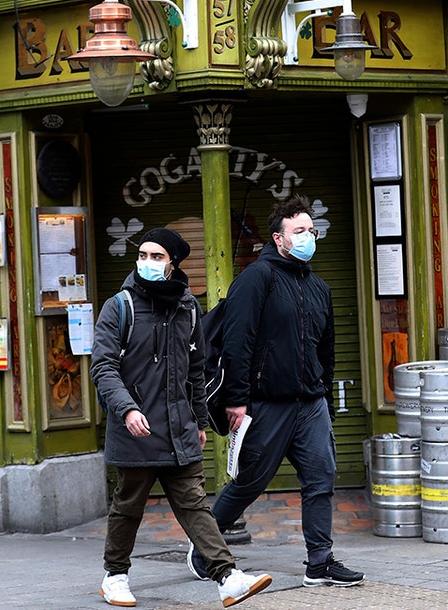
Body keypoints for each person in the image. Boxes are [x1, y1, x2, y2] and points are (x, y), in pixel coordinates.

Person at [187, 195, 365, 588]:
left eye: (312, 231)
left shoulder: (319, 287)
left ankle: (319, 563)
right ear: (278, 238)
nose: (307, 237)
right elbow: (238, 341)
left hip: (310, 403)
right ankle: (205, 547)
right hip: (267, 403)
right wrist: (236, 398)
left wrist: (327, 403)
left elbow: (327, 351)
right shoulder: (257, 278)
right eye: (299, 231)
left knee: (321, 479)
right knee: (250, 480)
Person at [90, 227, 272, 608]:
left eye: (157, 257)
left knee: (195, 505)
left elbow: (196, 370)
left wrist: (201, 422)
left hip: (180, 428)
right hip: (136, 429)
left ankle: (227, 577)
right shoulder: (119, 306)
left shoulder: (187, 308)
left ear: (173, 264)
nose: (148, 263)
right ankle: (115, 576)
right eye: (142, 255)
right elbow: (103, 367)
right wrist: (127, 409)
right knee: (128, 505)